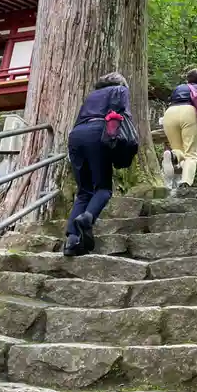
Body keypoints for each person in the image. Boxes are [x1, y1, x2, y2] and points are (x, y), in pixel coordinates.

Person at [64, 72, 132, 257]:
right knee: (103, 188)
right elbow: (121, 115)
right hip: (98, 133)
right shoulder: (120, 90)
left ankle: (71, 240)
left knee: (84, 191)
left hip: (76, 135)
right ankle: (88, 218)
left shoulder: (91, 96)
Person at [162, 69, 197, 189]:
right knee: (191, 153)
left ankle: (172, 155)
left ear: (187, 79)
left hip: (170, 113)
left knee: (178, 149)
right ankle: (185, 183)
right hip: (189, 112)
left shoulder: (179, 88)